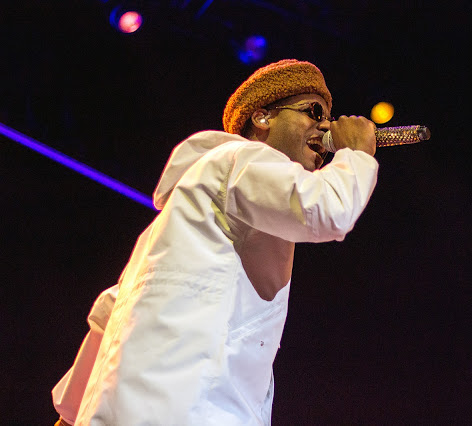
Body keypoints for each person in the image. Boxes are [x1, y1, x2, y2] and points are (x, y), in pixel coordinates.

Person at [51, 59, 378, 425]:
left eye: (328, 117)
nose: (325, 125)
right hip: (190, 408)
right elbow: (327, 211)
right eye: (313, 111)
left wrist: (69, 415)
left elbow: (113, 313)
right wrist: (356, 154)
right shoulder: (239, 158)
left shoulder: (172, 227)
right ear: (262, 117)